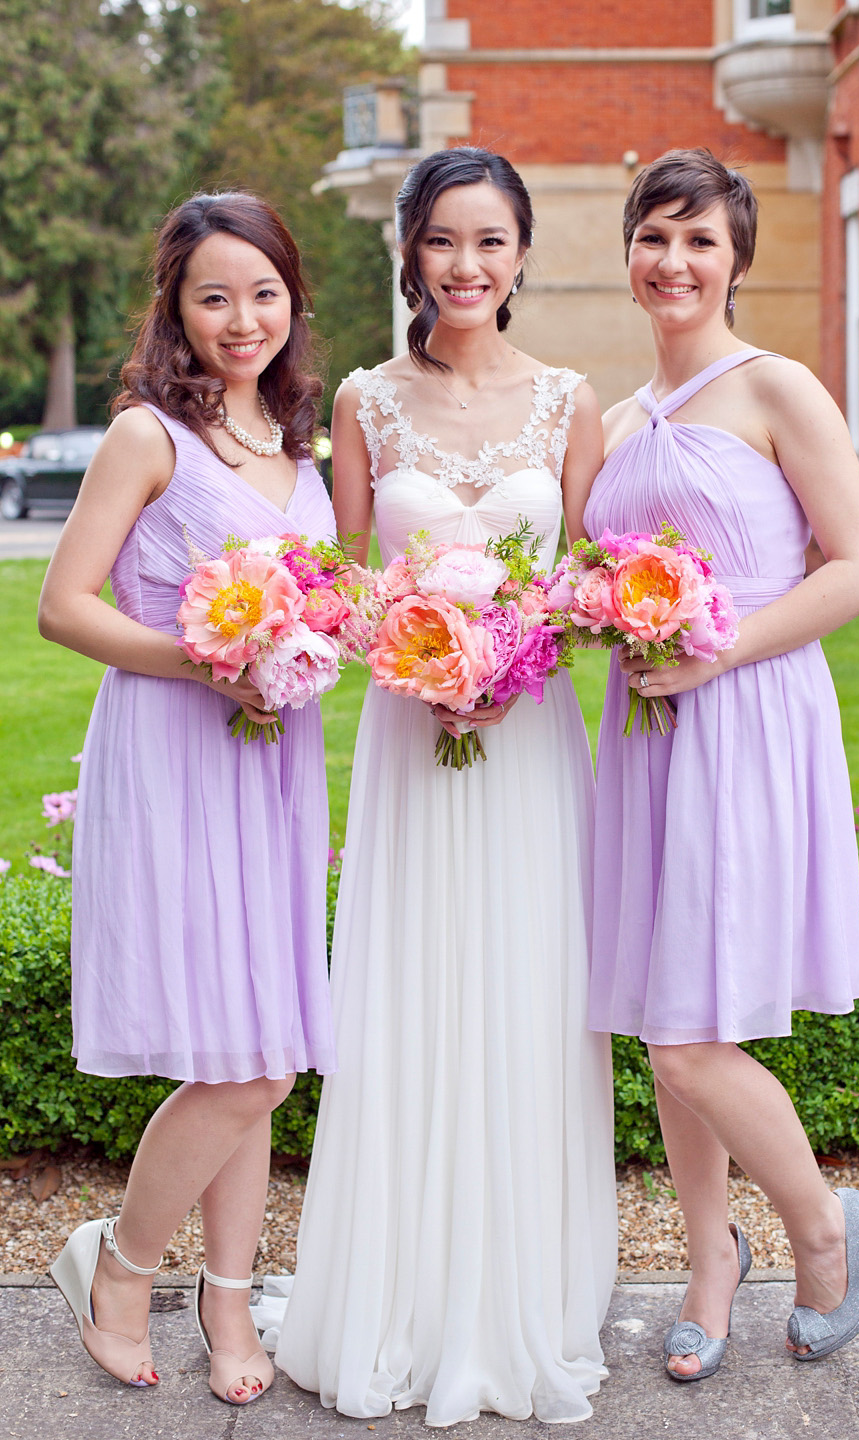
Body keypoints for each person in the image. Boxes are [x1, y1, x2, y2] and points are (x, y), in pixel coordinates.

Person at [268, 147, 618, 1425]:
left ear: (522, 255)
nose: (465, 266)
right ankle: (399, 1294)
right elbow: (343, 582)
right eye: (443, 242)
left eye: (491, 242)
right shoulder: (365, 401)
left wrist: (517, 653)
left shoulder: (572, 401)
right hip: (414, 746)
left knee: (530, 993)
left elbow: (586, 592)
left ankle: (522, 1295)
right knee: (409, 999)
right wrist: (418, 655)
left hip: (529, 748)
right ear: (409, 253)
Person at [583, 149, 859, 1382]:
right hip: (646, 731)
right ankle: (711, 1257)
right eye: (654, 237)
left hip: (747, 710)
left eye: (700, 240)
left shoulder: (779, 389)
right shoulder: (612, 423)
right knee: (669, 1009)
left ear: (737, 261)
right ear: (627, 253)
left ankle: (826, 1232)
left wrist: (718, 655)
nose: (673, 261)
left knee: (687, 1036)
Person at [39, 191, 337, 1406]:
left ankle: (228, 1301)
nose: (240, 318)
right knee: (251, 1066)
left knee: (258, 1036)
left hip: (274, 759)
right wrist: (210, 655)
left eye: (262, 292)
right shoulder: (147, 436)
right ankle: (119, 1265)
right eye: (213, 295)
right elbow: (66, 605)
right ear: (176, 304)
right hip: (175, 747)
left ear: (291, 301)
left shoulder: (301, 439)